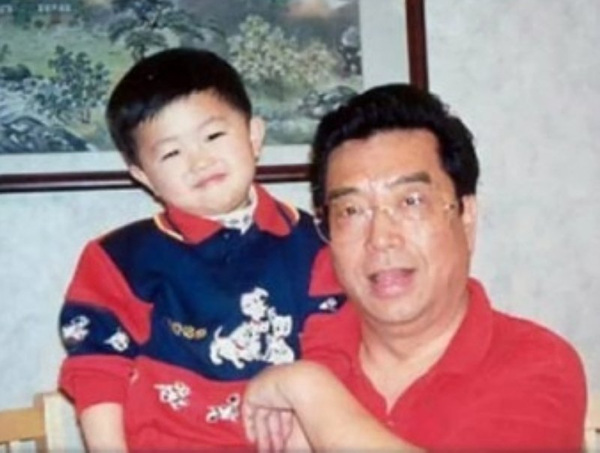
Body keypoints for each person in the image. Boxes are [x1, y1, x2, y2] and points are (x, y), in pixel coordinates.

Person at [242, 83, 587, 452]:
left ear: (466, 216)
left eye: (411, 202)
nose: (380, 238)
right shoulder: (280, 345)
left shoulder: (537, 364)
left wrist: (311, 393)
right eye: (351, 211)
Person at [57, 48, 345, 451]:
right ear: (143, 176)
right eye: (171, 153)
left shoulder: (316, 244)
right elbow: (96, 369)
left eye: (213, 136)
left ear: (254, 136)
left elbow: (335, 355)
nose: (199, 160)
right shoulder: (117, 259)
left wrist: (304, 440)